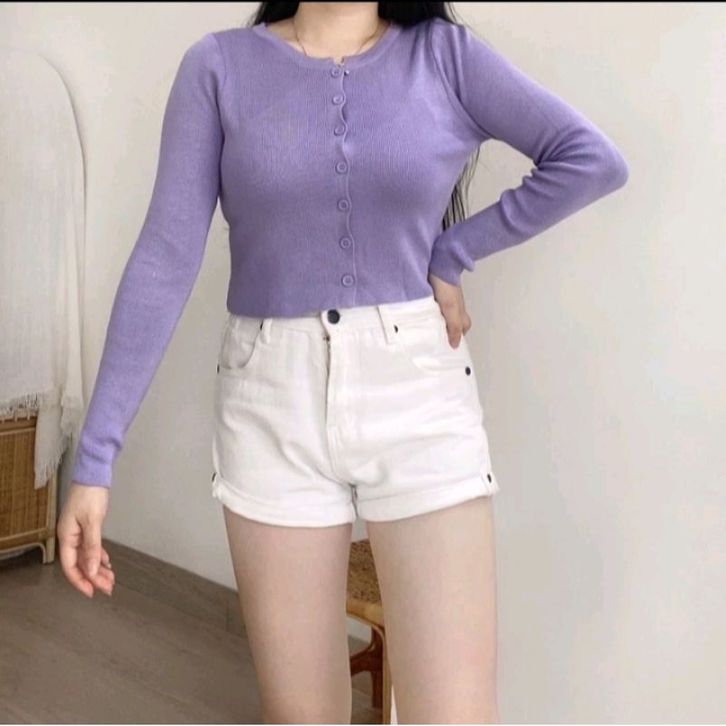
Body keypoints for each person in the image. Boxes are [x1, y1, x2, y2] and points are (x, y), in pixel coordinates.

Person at [57, 1, 629, 722]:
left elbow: (589, 159)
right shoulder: (219, 67)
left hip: (418, 395)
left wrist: (453, 252)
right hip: (271, 403)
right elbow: (165, 257)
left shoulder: (444, 57)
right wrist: (96, 459)